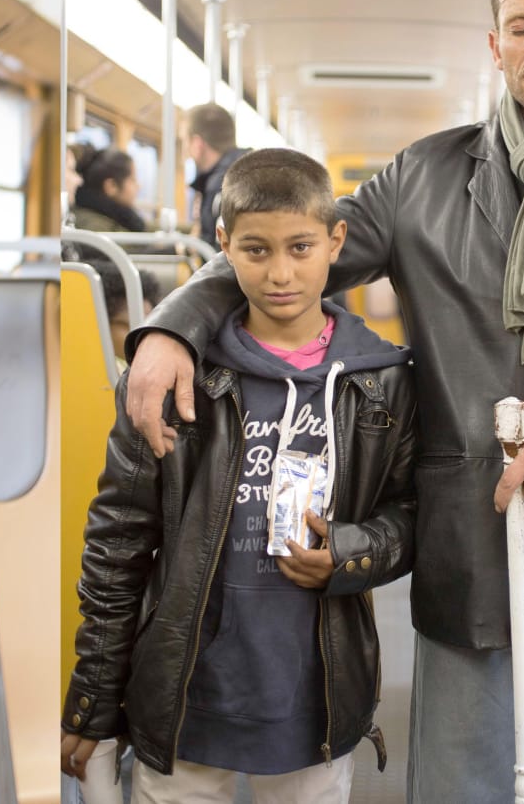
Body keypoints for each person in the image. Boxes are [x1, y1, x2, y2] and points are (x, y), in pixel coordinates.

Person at [124, 0, 524, 802]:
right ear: (496, 45)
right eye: (522, 27)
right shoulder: (422, 177)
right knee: (460, 788)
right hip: (473, 535)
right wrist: (171, 328)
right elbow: (295, 251)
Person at [60, 148, 418, 803]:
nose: (280, 272)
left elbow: (412, 514)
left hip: (313, 704)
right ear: (223, 245)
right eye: (255, 250)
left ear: (336, 241)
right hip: (186, 697)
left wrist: (349, 551)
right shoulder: (175, 376)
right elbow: (118, 538)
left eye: (301, 247)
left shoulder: (381, 382)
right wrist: (94, 694)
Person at [187, 102, 249, 248]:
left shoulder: (220, 186)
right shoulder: (244, 173)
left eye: (184, 140)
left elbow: (219, 254)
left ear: (197, 144)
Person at [70, 147, 150, 233]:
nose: (138, 186)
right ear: (112, 186)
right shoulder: (96, 228)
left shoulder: (116, 217)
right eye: (133, 179)